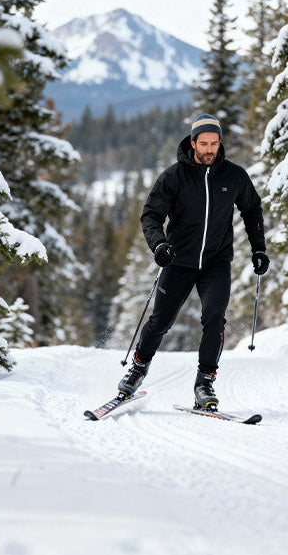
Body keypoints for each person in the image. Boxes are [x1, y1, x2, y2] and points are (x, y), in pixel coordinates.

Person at [117, 113, 269, 410]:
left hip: (216, 261)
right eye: (204, 143)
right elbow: (151, 215)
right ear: (193, 143)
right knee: (160, 321)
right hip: (178, 260)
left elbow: (252, 209)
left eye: (214, 143)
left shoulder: (234, 176)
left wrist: (259, 249)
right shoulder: (174, 177)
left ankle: (204, 383)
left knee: (214, 317)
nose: (210, 149)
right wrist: (159, 244)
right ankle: (138, 368)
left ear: (219, 143)